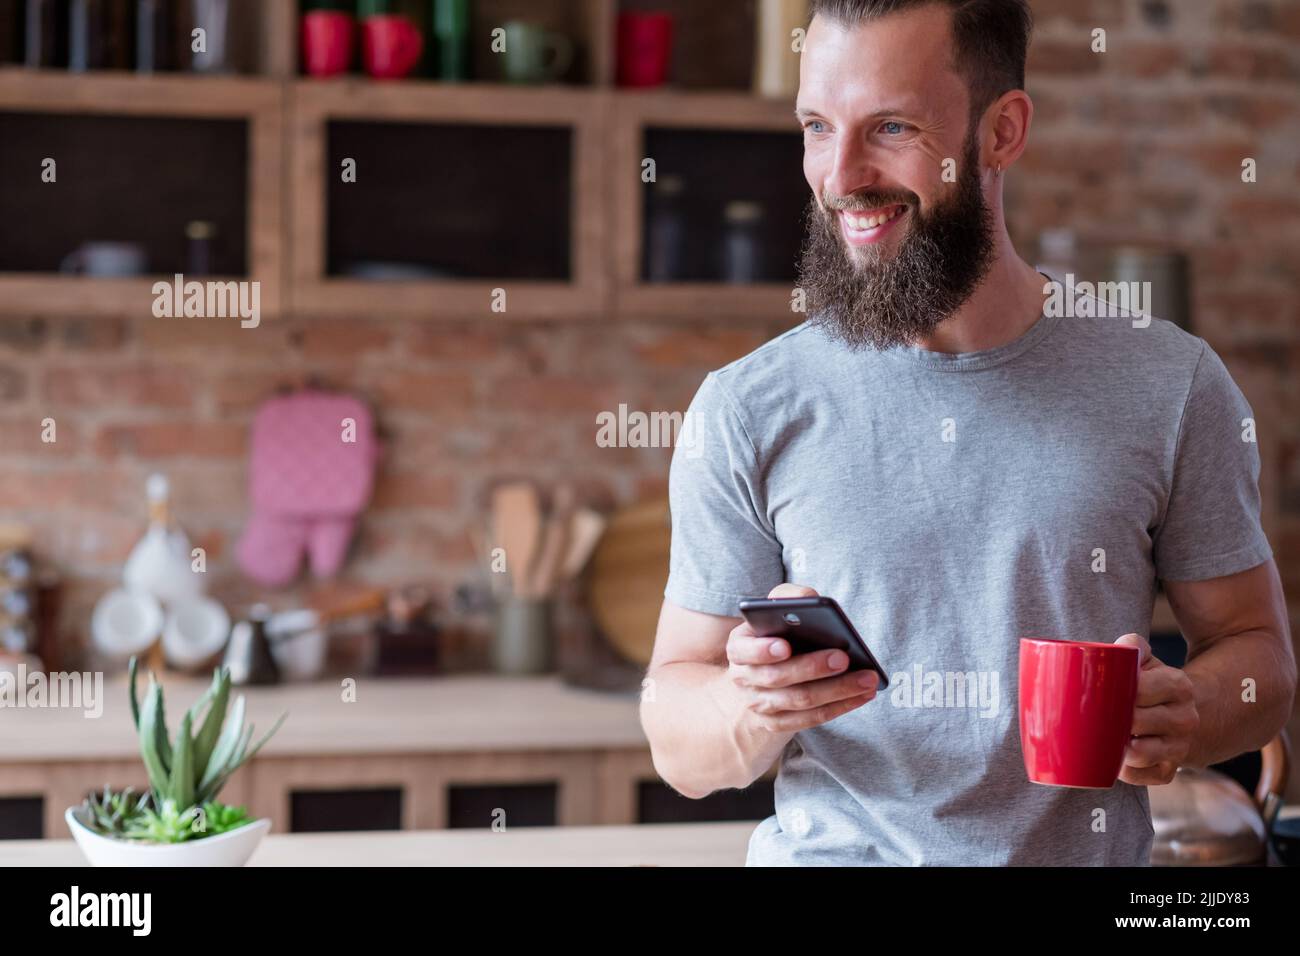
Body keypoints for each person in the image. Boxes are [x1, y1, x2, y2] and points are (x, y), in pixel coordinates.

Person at [640, 0, 1295, 866]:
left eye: (891, 126)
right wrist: (754, 705)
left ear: (1003, 131)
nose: (840, 175)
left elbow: (1261, 666)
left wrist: (1192, 712)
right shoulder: (747, 407)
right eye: (814, 126)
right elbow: (676, 735)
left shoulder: (1168, 384)